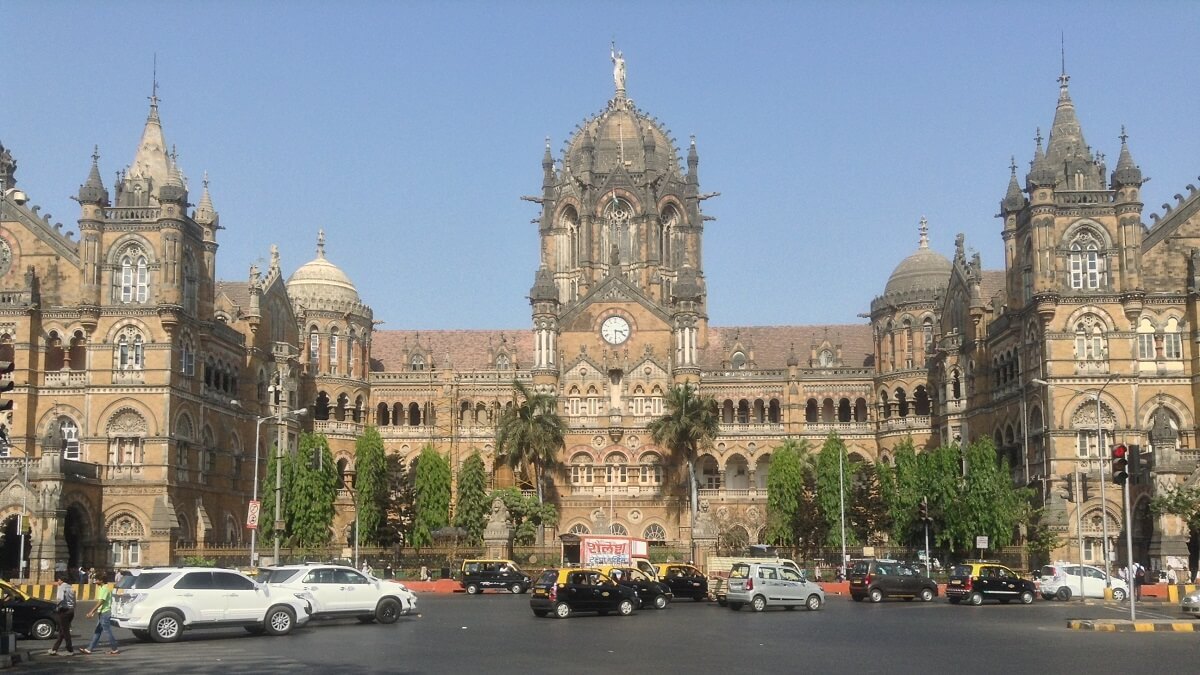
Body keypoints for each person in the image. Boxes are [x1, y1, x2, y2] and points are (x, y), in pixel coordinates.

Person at [79, 575, 119, 655]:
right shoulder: (101, 588)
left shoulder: (104, 588)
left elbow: (101, 601)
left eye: (96, 579)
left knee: (107, 631)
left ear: (101, 580)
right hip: (102, 612)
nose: (95, 581)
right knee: (97, 631)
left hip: (105, 613)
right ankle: (89, 649)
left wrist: (91, 611)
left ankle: (114, 648)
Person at [48, 573, 76, 656]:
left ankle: (70, 649)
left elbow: (60, 598)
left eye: (58, 580)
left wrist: (56, 607)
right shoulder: (71, 587)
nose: (58, 582)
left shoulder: (62, 587)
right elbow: (74, 601)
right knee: (62, 630)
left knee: (65, 631)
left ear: (61, 580)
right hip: (71, 611)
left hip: (64, 611)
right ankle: (54, 649)